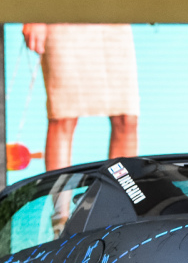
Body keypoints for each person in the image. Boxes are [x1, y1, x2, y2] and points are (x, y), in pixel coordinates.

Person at [21, 23, 140, 170]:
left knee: (126, 118)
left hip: (112, 14)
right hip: (62, 15)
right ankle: (60, 193)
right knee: (63, 116)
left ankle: (118, 192)